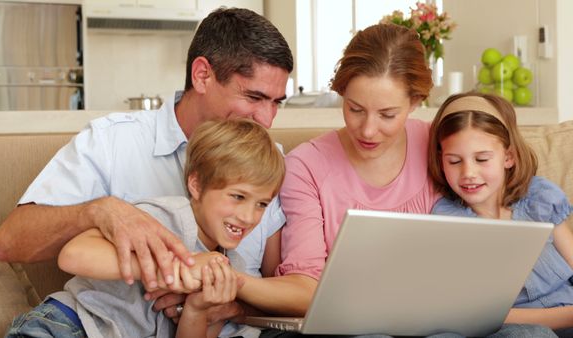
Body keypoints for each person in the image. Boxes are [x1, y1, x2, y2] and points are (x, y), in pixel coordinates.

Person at [191, 24, 552, 338]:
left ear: (415, 102)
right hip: (355, 327)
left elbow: (508, 194)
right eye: (355, 108)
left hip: (445, 320)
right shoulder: (306, 166)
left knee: (529, 334)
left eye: (387, 114)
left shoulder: (442, 147)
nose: (367, 130)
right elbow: (304, 280)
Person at [0, 6, 293, 327]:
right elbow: (10, 243)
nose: (267, 120)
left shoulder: (267, 159)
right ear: (202, 75)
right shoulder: (113, 141)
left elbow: (280, 284)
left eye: (276, 102)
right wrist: (99, 211)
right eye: (253, 97)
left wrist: (230, 308)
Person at [5, 118, 286, 338]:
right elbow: (73, 255)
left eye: (262, 204)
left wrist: (197, 309)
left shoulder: (226, 265)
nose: (249, 216)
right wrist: (175, 271)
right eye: (238, 197)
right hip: (67, 326)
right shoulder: (165, 218)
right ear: (196, 185)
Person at [428, 92, 573, 337]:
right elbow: (473, 311)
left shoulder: (539, 197)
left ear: (509, 157)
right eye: (454, 161)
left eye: (482, 159)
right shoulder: (448, 220)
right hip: (516, 327)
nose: (468, 173)